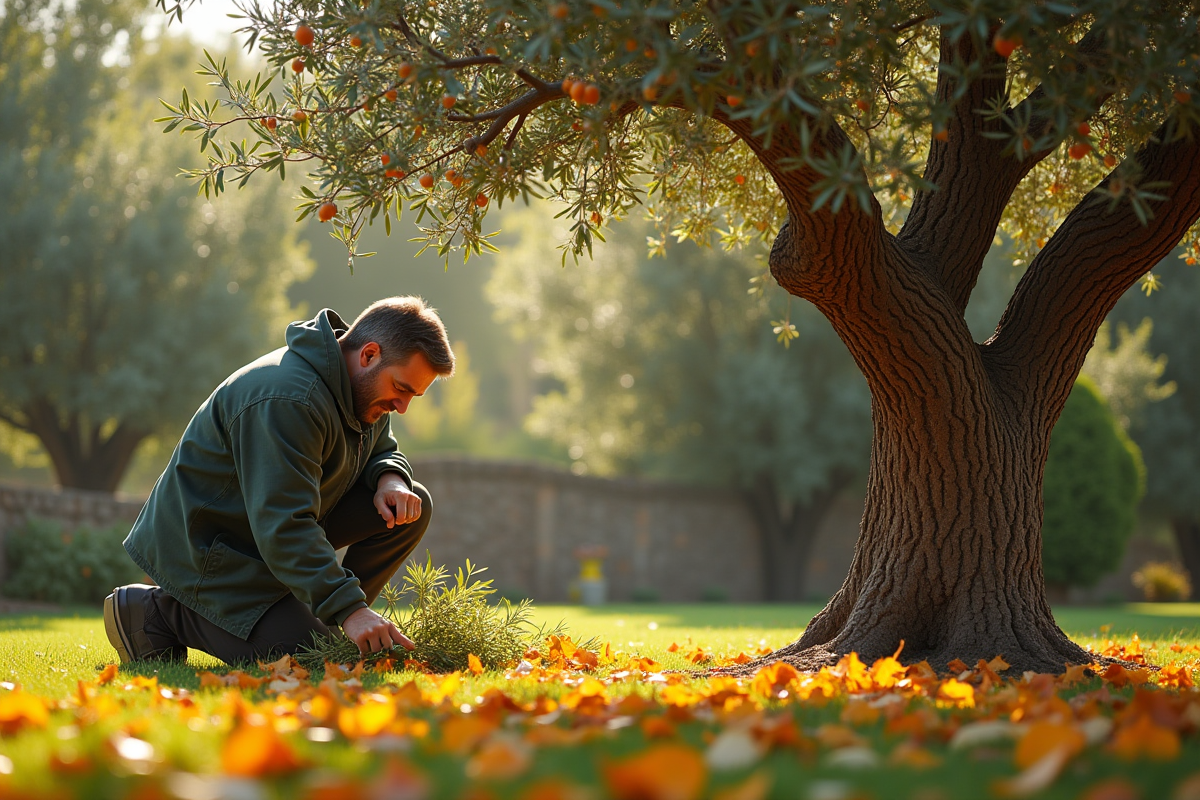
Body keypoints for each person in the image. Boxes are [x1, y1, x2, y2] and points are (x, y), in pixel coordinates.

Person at [103, 297, 455, 665]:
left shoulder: (361, 389)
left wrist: (390, 477)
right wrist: (351, 608)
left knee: (412, 502)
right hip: (209, 555)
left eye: (413, 395)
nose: (402, 407)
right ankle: (157, 609)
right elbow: (284, 524)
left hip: (261, 542)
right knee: (313, 661)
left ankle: (325, 622)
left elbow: (381, 446)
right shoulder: (288, 399)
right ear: (368, 354)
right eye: (401, 389)